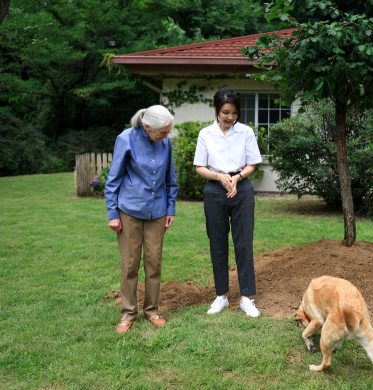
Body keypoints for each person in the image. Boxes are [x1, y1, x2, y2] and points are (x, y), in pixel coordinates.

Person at [105, 105, 178, 334]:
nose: (167, 137)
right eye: (164, 132)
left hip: (157, 212)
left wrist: (170, 209)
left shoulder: (165, 142)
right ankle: (127, 313)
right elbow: (113, 179)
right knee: (130, 264)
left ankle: (152, 310)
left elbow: (170, 179)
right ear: (148, 128)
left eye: (168, 132)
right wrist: (113, 213)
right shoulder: (125, 138)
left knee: (154, 263)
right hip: (130, 211)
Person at [194, 88, 262, 318]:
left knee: (244, 243)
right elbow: (200, 167)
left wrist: (237, 177)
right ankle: (221, 296)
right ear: (216, 110)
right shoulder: (206, 134)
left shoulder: (246, 132)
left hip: (241, 188)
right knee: (218, 243)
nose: (230, 117)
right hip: (214, 189)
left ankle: (247, 298)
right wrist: (219, 177)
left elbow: (252, 163)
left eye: (234, 113)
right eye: (225, 112)